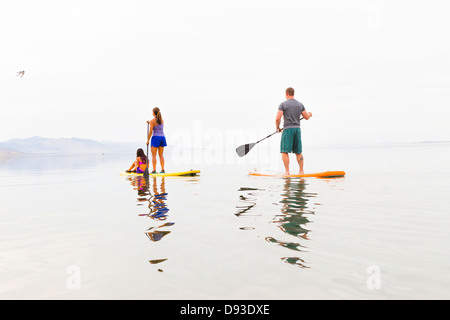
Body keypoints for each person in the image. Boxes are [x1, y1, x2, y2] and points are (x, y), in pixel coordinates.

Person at [275, 87, 312, 175]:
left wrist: (278, 128)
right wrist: (310, 114)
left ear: (287, 94)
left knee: (284, 151)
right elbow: (306, 117)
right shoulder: (300, 104)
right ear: (293, 94)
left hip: (287, 130)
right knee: (298, 152)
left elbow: (278, 118)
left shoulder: (283, 104)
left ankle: (287, 172)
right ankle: (301, 171)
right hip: (297, 130)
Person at [146, 107, 167, 173]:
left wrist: (148, 140)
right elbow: (156, 123)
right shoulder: (162, 120)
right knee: (161, 155)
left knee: (154, 155)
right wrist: (150, 122)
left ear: (153, 113)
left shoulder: (152, 121)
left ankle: (154, 170)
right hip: (162, 138)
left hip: (155, 138)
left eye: (152, 111)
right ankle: (162, 169)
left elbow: (150, 132)